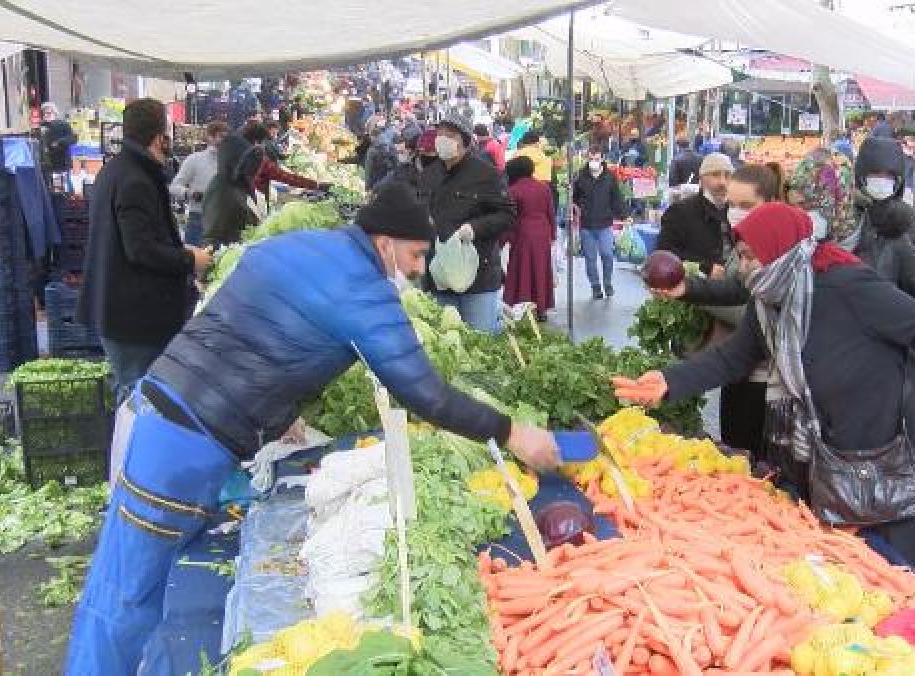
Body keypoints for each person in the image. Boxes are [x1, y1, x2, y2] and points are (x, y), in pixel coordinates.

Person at [64, 182, 560, 675]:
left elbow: (251, 324)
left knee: (130, 582)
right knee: (125, 593)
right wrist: (511, 432)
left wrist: (279, 409)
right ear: (384, 243)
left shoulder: (296, 246)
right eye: (415, 254)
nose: (417, 268)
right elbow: (425, 394)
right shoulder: (362, 291)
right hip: (184, 443)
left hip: (161, 411)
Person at [616, 202, 915, 580]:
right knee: (858, 549)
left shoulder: (845, 285)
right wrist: (669, 381)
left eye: (747, 256)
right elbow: (733, 358)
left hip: (900, 426)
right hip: (843, 433)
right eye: (739, 256)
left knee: (905, 549)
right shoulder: (770, 302)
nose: (741, 267)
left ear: (778, 250)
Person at [76, 99, 212, 403]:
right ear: (158, 137)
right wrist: (191, 260)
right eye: (168, 134)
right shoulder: (135, 179)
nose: (171, 142)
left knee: (135, 392)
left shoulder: (116, 171)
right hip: (133, 318)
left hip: (120, 312)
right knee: (138, 398)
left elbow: (132, 239)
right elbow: (141, 249)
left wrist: (180, 248)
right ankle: (126, 450)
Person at [652, 163, 785, 463]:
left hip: (771, 382)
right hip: (742, 369)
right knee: (740, 456)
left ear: (771, 205)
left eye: (746, 205)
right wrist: (687, 289)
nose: (737, 212)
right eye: (733, 205)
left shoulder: (786, 256)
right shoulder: (741, 243)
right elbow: (738, 289)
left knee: (765, 465)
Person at [427, 113, 515, 333]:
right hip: (440, 276)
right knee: (447, 343)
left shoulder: (487, 175)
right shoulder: (430, 174)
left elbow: (507, 214)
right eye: (440, 134)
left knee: (480, 341)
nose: (442, 140)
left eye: (450, 135)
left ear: (465, 142)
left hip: (479, 277)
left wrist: (474, 229)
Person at [850, 138, 915, 313]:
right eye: (875, 174)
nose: (882, 180)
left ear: (897, 180)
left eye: (888, 175)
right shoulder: (847, 214)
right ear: (862, 175)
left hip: (893, 316)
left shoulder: (906, 217)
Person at [656, 152, 733, 275]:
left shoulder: (736, 211)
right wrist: (705, 268)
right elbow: (665, 254)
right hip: (693, 288)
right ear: (701, 179)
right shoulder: (680, 212)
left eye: (727, 175)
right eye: (715, 175)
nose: (722, 182)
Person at [572, 145, 628, 300]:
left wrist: (624, 215)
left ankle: (607, 282)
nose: (593, 162)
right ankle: (595, 286)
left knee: (607, 254)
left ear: (602, 159)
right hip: (586, 224)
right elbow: (573, 197)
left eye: (596, 159)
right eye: (590, 159)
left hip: (604, 223)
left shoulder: (609, 177)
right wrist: (575, 209)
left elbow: (617, 198)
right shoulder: (580, 176)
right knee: (590, 258)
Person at [503, 157, 555, 322]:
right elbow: (551, 213)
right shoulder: (544, 188)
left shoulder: (514, 190)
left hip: (523, 234)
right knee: (541, 271)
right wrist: (552, 234)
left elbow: (510, 219)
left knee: (523, 271)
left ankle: (520, 305)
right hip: (543, 233)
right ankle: (541, 309)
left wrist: (503, 240)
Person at [201, 132, 266, 247]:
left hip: (242, 252)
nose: (251, 165)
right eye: (246, 161)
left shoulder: (239, 183)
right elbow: (212, 237)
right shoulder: (220, 189)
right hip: (230, 257)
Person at [170, 121, 228, 246]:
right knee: (194, 262)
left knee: (221, 263)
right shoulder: (194, 159)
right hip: (198, 219)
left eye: (226, 137)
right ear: (210, 137)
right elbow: (174, 187)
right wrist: (190, 194)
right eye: (220, 136)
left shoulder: (230, 163)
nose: (223, 141)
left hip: (222, 222)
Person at [242, 122, 328, 197]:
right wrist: (316, 185)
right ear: (257, 142)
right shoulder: (259, 159)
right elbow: (285, 176)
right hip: (251, 201)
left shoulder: (234, 152)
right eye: (262, 142)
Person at [40, 102, 77, 172]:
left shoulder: (63, 124)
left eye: (48, 113)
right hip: (46, 164)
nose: (46, 115)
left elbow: (73, 138)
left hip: (61, 162)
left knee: (60, 181)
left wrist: (59, 142)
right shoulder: (41, 126)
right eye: (44, 113)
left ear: (55, 113)